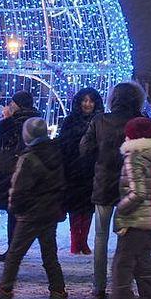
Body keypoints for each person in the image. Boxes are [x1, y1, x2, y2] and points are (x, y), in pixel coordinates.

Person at [0, 117, 68, 299]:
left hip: (31, 214)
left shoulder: (28, 158)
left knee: (14, 257)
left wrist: (15, 209)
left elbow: (18, 190)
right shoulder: (56, 152)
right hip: (49, 213)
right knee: (50, 259)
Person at [97, 117, 151, 299]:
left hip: (135, 220)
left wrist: (121, 211)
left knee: (121, 267)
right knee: (143, 267)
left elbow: (137, 193)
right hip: (148, 219)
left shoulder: (134, 157)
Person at [80, 81, 145, 299]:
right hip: (131, 186)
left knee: (100, 236)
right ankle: (124, 285)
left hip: (104, 182)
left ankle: (99, 285)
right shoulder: (140, 122)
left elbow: (85, 148)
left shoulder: (100, 120)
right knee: (127, 239)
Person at [0, 90, 41, 261]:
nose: (9, 107)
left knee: (14, 213)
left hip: (12, 173)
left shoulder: (16, 122)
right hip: (27, 173)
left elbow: (5, 139)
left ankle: (14, 250)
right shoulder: (35, 119)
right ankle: (15, 249)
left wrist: (6, 120)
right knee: (17, 213)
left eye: (13, 104)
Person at [57, 87, 104, 255]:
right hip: (73, 170)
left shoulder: (100, 120)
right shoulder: (70, 121)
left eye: (91, 100)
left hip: (92, 170)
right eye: (85, 100)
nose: (88, 104)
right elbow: (63, 144)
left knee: (88, 207)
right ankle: (75, 241)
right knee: (75, 208)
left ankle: (83, 240)